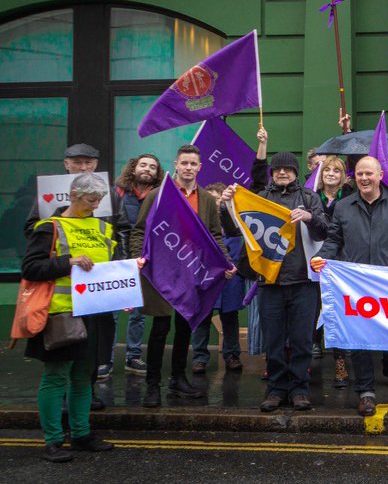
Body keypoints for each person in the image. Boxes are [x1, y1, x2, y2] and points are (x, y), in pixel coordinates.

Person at [312, 156, 388, 417]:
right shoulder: (343, 206)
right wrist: (321, 258)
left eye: (369, 174)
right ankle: (365, 394)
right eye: (360, 174)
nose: (364, 178)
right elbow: (334, 241)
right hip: (356, 286)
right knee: (360, 340)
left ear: (380, 176)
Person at [223, 143, 328, 412]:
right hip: (269, 282)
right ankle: (276, 389)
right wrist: (226, 206)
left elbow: (324, 231)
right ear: (272, 173)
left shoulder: (309, 198)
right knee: (274, 340)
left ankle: (299, 389)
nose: (282, 172)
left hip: (303, 281)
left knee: (303, 339)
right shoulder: (258, 196)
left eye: (287, 169)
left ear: (295, 172)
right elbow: (234, 230)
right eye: (278, 169)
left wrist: (309, 218)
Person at [23, 173, 118, 462]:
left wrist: (125, 284)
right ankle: (53, 441)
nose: (96, 205)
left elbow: (111, 267)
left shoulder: (104, 227)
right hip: (61, 314)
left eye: (100, 200)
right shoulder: (49, 228)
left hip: (94, 312)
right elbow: (31, 268)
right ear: (74, 195)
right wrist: (68, 262)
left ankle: (81, 434)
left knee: (83, 379)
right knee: (55, 378)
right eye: (91, 199)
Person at [130, 144, 232, 408]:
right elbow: (140, 230)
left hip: (191, 272)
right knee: (160, 329)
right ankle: (153, 385)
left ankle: (178, 379)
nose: (188, 168)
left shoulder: (208, 200)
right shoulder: (158, 194)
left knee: (186, 326)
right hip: (161, 272)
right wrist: (136, 258)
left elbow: (214, 236)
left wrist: (226, 262)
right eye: (184, 163)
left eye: (193, 164)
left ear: (200, 167)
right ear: (176, 165)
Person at [112, 153, 165, 378]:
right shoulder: (118, 193)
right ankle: (105, 359)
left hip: (146, 260)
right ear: (134, 168)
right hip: (117, 258)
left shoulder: (160, 195)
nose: (147, 169)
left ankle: (133, 356)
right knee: (112, 311)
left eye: (152, 167)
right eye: (143, 165)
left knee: (138, 313)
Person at [191, 182, 246, 377]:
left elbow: (240, 247)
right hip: (205, 277)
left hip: (230, 278)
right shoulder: (198, 221)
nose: (215, 202)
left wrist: (233, 267)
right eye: (211, 198)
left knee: (230, 318)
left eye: (219, 198)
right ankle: (199, 358)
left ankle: (232, 356)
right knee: (202, 318)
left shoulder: (235, 221)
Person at [314, 156, 351, 388]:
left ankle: (340, 361)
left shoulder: (349, 199)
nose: (330, 174)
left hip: (339, 262)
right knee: (311, 309)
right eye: (326, 170)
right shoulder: (310, 196)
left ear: (342, 176)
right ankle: (308, 354)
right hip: (312, 259)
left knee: (338, 312)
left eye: (336, 171)